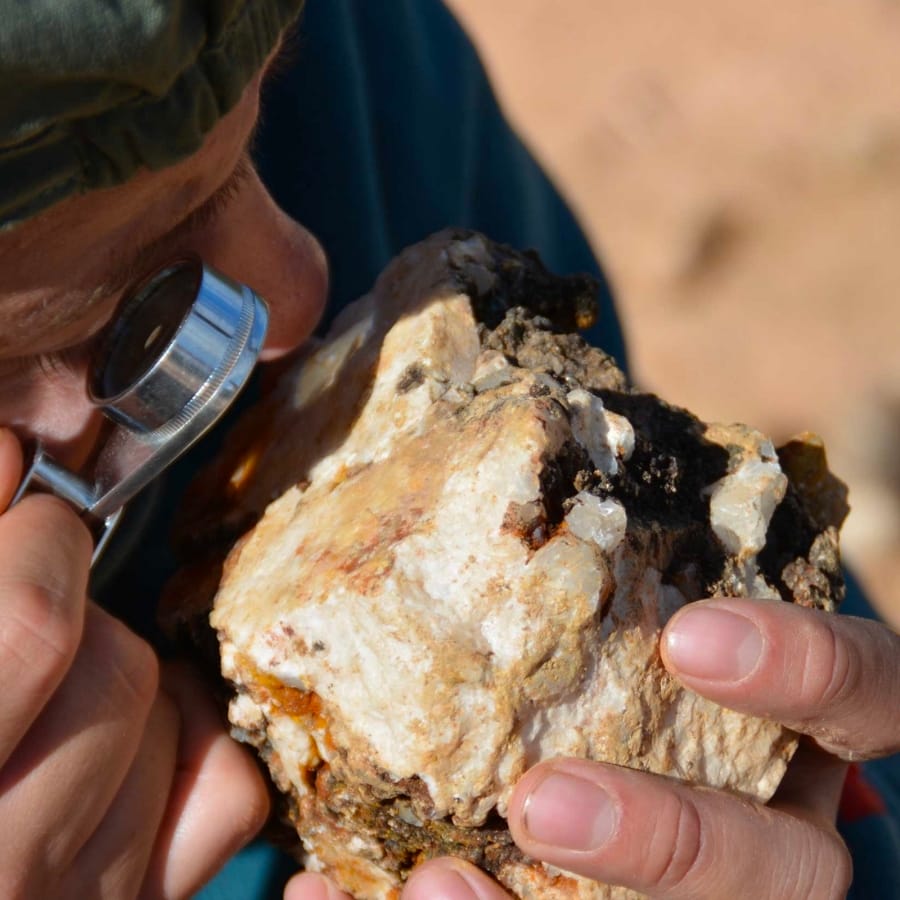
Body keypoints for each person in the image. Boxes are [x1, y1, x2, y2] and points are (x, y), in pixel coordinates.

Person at [0, 2, 896, 898]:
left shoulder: (287, 62)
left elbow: (812, 729)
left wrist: (850, 836)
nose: (302, 287)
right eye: (94, 328)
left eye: (268, 88)